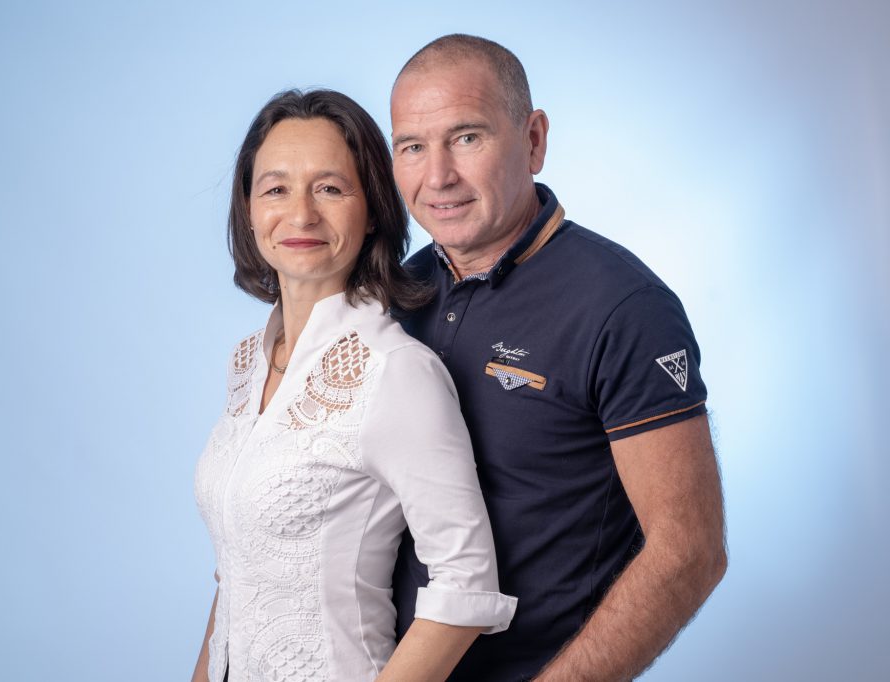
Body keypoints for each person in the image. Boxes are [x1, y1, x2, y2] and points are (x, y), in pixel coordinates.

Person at [389, 34, 728, 681]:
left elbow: (690, 550)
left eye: (466, 138)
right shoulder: (399, 294)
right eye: (412, 147)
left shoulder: (622, 306)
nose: (438, 177)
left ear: (534, 139)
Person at [191, 89, 517, 682]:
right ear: (248, 210)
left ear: (371, 211)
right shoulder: (246, 364)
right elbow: (238, 572)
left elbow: (467, 581)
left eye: (330, 188)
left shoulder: (394, 369)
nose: (301, 215)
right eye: (275, 189)